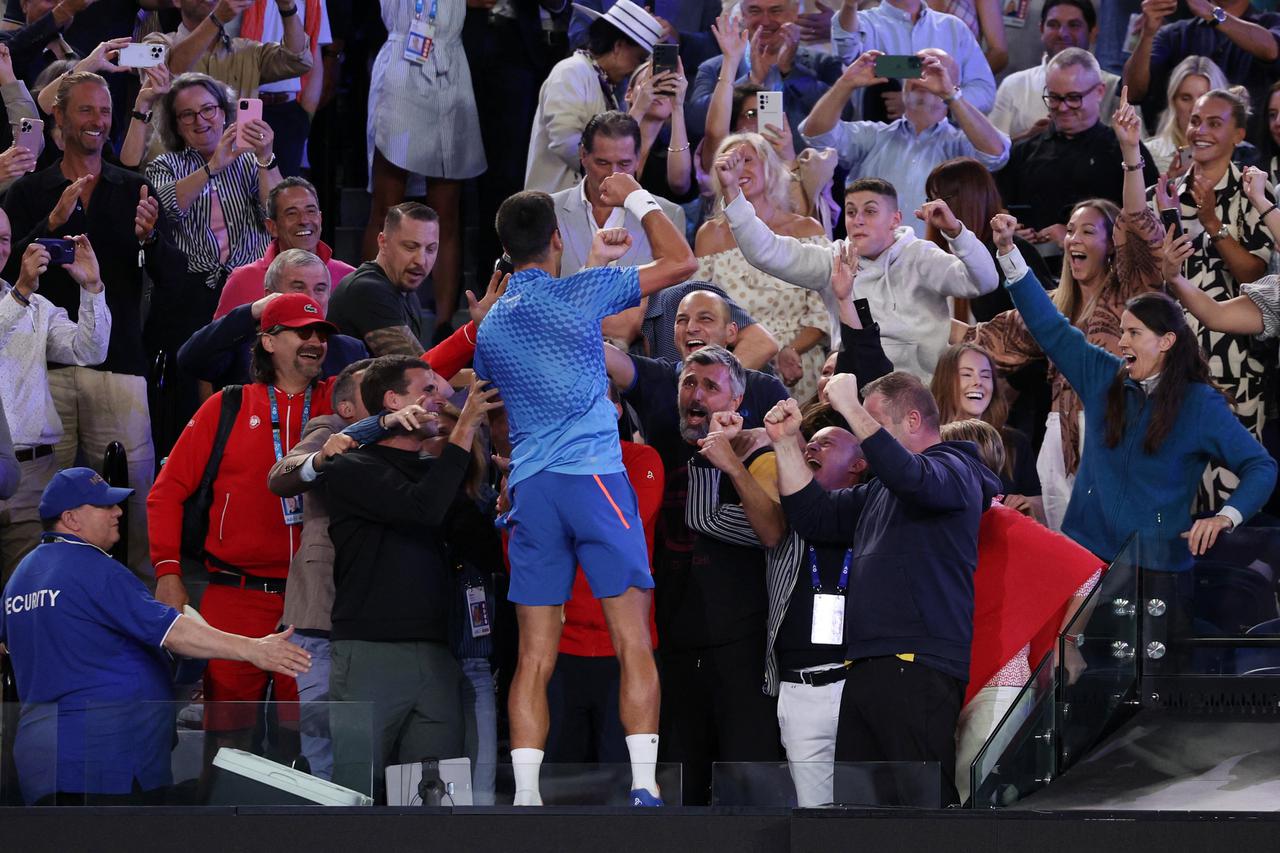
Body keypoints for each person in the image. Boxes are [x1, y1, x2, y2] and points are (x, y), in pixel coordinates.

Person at [473, 178, 696, 806]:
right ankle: (646, 785)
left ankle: (524, 795)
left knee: (534, 655)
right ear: (554, 241)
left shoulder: (489, 330)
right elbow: (683, 261)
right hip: (593, 480)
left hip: (533, 492)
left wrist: (513, 475)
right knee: (633, 640)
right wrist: (637, 196)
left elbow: (496, 416)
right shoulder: (577, 294)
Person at [990, 211, 1275, 616]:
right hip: (1085, 564)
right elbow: (1050, 326)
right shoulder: (1102, 375)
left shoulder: (1199, 404)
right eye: (1122, 330)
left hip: (1156, 576)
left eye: (1134, 333)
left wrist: (1225, 518)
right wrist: (1008, 252)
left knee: (1151, 678)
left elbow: (1260, 466)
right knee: (1071, 672)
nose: (1121, 341)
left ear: (1167, 342)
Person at [0, 466, 311, 806]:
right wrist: (253, 648)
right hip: (104, 761)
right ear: (71, 519)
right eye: (104, 506)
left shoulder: (21, 577)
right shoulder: (92, 567)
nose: (117, 512)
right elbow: (173, 632)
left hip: (45, 761)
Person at [766, 370, 1002, 807]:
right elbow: (813, 516)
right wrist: (784, 442)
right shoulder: (879, 492)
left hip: (917, 664)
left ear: (913, 421)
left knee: (922, 807)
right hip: (865, 664)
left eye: (868, 422)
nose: (861, 433)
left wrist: (852, 407)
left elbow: (915, 478)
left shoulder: (958, 469)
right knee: (859, 811)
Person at [3, 70, 185, 577]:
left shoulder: (137, 189)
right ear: (58, 117)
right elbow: (4, 276)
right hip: (43, 373)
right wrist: (52, 226)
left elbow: (173, 281)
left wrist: (151, 239)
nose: (98, 122)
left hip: (120, 366)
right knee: (43, 506)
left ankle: (136, 608)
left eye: (105, 112)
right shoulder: (27, 193)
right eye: (86, 110)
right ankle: (47, 605)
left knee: (131, 503)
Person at [963, 91, 1164, 532]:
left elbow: (1141, 225)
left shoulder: (1130, 291)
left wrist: (1130, 152)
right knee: (1070, 561)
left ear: (1113, 243)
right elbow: (987, 337)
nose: (1073, 239)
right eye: (1069, 230)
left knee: (1116, 557)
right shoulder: (1056, 307)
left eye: (1087, 231)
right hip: (1058, 439)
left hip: (1120, 427)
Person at [146, 293, 337, 750]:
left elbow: (410, 376)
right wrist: (168, 572)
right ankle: (221, 824)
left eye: (320, 334)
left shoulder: (340, 401)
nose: (315, 342)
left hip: (312, 602)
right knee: (227, 747)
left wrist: (471, 333)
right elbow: (165, 492)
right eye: (301, 332)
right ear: (268, 341)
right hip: (236, 597)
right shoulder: (227, 406)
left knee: (306, 746)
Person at [321, 356, 500, 801]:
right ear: (392, 401)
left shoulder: (437, 474)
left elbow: (485, 551)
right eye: (428, 391)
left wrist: (508, 497)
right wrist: (463, 432)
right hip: (369, 655)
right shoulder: (351, 468)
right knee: (354, 792)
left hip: (439, 655)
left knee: (434, 798)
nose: (441, 401)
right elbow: (421, 510)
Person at [701, 406, 867, 808]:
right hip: (798, 690)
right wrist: (712, 454)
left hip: (858, 687)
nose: (812, 446)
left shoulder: (874, 516)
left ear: (859, 465)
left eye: (825, 443)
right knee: (813, 819)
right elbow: (706, 516)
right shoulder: (778, 520)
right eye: (809, 442)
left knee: (867, 817)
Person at [714, 153, 998, 383]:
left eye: (870, 211)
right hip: (858, 393)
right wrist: (732, 192)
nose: (857, 220)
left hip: (924, 391)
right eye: (851, 212)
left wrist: (956, 232)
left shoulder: (921, 256)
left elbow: (983, 282)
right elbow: (766, 252)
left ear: (895, 219)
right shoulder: (833, 260)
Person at [939, 418, 1100, 806]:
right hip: (943, 678)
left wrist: (1069, 642)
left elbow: (1088, 573)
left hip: (999, 683)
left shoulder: (1007, 522)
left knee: (973, 795)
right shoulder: (935, 523)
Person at [670, 347, 786, 805]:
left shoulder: (766, 457)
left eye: (710, 386)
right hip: (679, 646)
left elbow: (769, 531)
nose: (695, 395)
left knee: (748, 787)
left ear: (735, 403)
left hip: (744, 650)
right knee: (683, 791)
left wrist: (717, 459)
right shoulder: (662, 444)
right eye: (688, 384)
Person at [1149, 87, 1274, 509]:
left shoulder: (1254, 190)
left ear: (1239, 134)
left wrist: (1210, 221)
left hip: (1234, 367)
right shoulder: (1166, 193)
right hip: (1173, 362)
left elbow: (1253, 273)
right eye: (1196, 121)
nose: (1199, 130)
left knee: (1229, 490)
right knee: (1175, 494)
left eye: (1214, 123)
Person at [261, 358, 372, 782]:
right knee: (323, 739)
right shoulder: (327, 428)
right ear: (347, 408)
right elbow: (284, 472)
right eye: (373, 388)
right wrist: (322, 457)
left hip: (379, 615)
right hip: (319, 610)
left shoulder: (408, 432)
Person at [546, 385, 663, 771]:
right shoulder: (542, 467)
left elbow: (619, 531)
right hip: (561, 648)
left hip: (627, 649)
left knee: (624, 778)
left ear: (614, 410)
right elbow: (526, 558)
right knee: (561, 783)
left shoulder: (643, 459)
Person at [361, 0, 488, 343]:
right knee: (387, 206)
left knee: (446, 210)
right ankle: (371, 311)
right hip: (403, 60)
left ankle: (445, 326)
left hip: (450, 63)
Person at [800, 48, 1010, 239]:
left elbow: (996, 155)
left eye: (936, 69)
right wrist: (846, 83)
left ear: (954, 84)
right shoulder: (873, 135)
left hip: (937, 264)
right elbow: (816, 135)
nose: (923, 76)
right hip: (869, 263)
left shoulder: (960, 144)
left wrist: (951, 95)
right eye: (915, 67)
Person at [0, 229, 106, 578]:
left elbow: (89, 351)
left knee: (27, 595)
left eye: (3, 238)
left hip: (32, 475)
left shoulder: (37, 307)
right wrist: (20, 293)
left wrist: (91, 288)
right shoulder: (22, 298)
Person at [698, 133, 832, 400]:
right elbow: (704, 309)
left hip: (801, 364)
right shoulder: (709, 235)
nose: (739, 169)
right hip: (739, 368)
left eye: (747, 160)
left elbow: (822, 310)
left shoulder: (806, 228)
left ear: (769, 168)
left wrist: (790, 350)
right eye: (731, 163)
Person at [995, 49, 1159, 259]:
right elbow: (1000, 209)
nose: (1062, 108)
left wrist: (1073, 238)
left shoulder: (1125, 151)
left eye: (1073, 98)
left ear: (1099, 92)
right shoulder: (1023, 153)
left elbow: (1146, 225)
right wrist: (1012, 231)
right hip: (1031, 269)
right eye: (1054, 98)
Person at [145, 71, 281, 314]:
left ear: (223, 112)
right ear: (175, 124)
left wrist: (265, 158)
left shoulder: (252, 161)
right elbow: (165, 212)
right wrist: (212, 167)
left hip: (252, 284)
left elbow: (276, 215)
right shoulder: (165, 164)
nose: (200, 121)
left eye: (208, 109)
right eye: (187, 115)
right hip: (192, 289)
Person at [549, 110, 686, 343]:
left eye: (624, 164)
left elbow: (673, 295)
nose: (613, 175)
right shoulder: (549, 210)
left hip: (638, 353)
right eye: (602, 162)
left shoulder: (667, 215)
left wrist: (635, 320)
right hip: (562, 346)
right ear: (583, 155)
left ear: (638, 159)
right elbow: (539, 289)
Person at [525, 0, 662, 195]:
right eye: (638, 59)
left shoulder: (601, 81)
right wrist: (637, 110)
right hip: (555, 204)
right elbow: (564, 142)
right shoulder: (571, 71)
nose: (635, 69)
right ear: (618, 46)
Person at [329, 202, 496, 359]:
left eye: (431, 249)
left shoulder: (407, 293)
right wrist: (472, 330)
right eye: (410, 247)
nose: (421, 261)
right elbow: (419, 375)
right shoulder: (367, 290)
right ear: (383, 242)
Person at [686, 1, 843, 157]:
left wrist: (790, 72)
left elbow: (843, 116)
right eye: (755, 11)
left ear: (794, 13)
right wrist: (751, 81)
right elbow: (695, 122)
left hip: (802, 173)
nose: (765, 21)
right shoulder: (714, 68)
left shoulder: (822, 64)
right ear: (743, 14)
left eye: (775, 11)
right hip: (735, 172)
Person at [1122, 0, 1280, 147]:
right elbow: (1131, 93)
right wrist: (1148, 35)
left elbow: (1271, 50)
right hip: (1178, 156)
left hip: (1251, 159)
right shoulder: (1174, 34)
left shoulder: (1271, 23)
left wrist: (1213, 13)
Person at [922, 156, 1054, 323]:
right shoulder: (934, 254)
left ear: (968, 200)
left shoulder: (1012, 252)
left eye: (939, 200)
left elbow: (1044, 316)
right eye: (930, 199)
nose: (932, 209)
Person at [214, 176, 356, 319]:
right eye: (292, 213)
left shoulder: (349, 279)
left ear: (320, 219)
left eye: (311, 211)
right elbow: (219, 339)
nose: (304, 220)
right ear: (272, 227)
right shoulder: (242, 281)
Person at [930, 343, 1042, 523]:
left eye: (986, 375)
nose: (978, 382)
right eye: (967, 374)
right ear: (945, 381)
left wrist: (1025, 504)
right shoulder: (928, 441)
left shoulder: (1014, 442)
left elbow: (1039, 506)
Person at [832, 0, 996, 117]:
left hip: (945, 147)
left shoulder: (954, 27)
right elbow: (845, 51)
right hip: (879, 144)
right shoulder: (862, 23)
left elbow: (985, 93)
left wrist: (935, 103)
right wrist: (849, 5)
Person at [987, 0, 1121, 143]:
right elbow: (989, 153)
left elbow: (1135, 148)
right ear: (1041, 30)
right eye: (1053, 25)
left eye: (1074, 25)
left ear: (1093, 32)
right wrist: (1030, 138)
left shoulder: (1114, 87)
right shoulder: (1014, 84)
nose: (1062, 34)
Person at [149, 0, 312, 101]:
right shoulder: (155, 43)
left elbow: (297, 61)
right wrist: (217, 18)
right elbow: (171, 70)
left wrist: (288, 7)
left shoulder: (248, 51)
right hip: (173, 156)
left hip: (234, 155)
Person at [639, 279, 779, 371]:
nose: (691, 328)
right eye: (682, 321)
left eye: (704, 319)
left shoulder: (688, 296)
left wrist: (715, 385)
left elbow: (761, 344)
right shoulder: (628, 353)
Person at [1143, 55, 1229, 174]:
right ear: (1173, 102)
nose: (1195, 109)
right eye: (1185, 98)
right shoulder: (1148, 153)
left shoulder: (1239, 154)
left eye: (1204, 98)